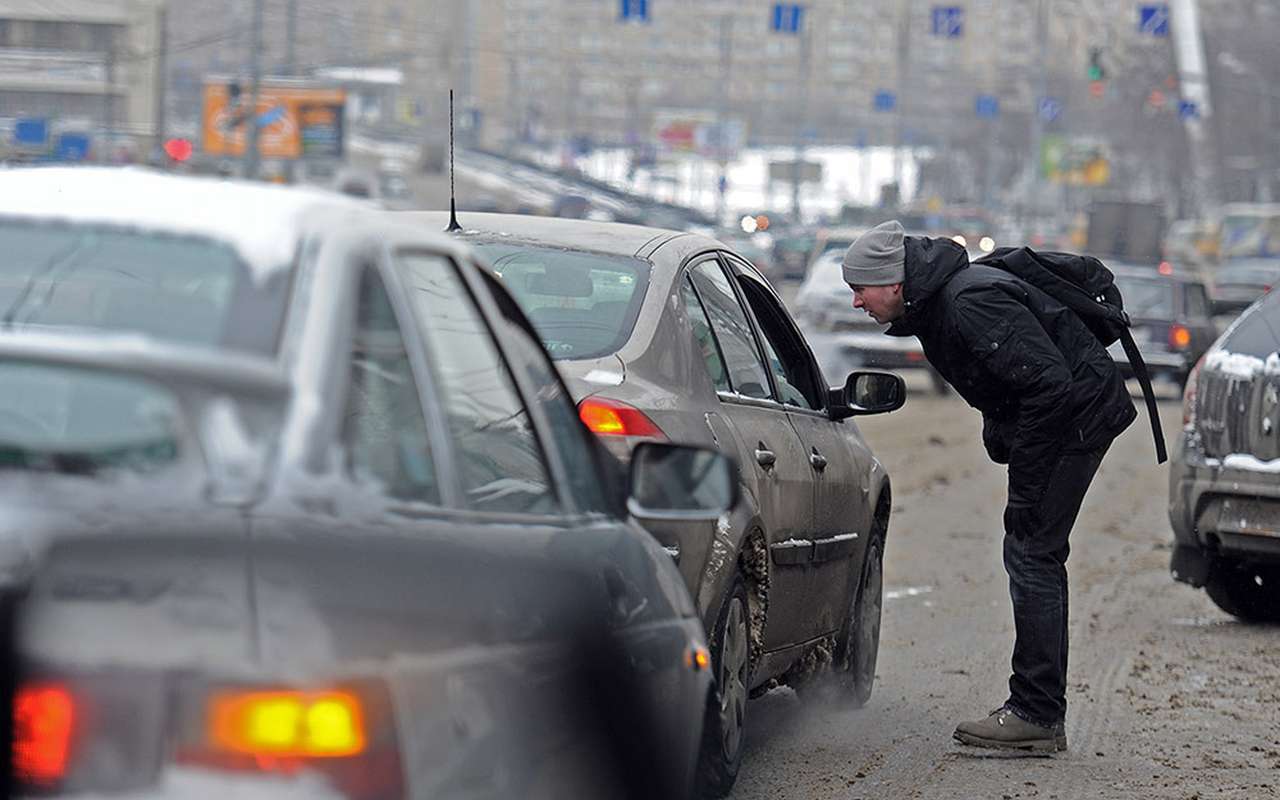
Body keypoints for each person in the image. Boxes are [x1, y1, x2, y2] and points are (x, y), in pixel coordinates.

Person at [842, 220, 1136, 752]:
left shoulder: (966, 303)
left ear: (893, 282)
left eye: (859, 288)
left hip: (1079, 418)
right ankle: (1038, 710)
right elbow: (1010, 380)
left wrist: (1025, 483)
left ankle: (1036, 713)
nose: (857, 301)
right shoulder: (939, 306)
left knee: (1031, 550)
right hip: (1072, 414)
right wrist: (1000, 428)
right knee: (1032, 550)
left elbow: (1049, 385)